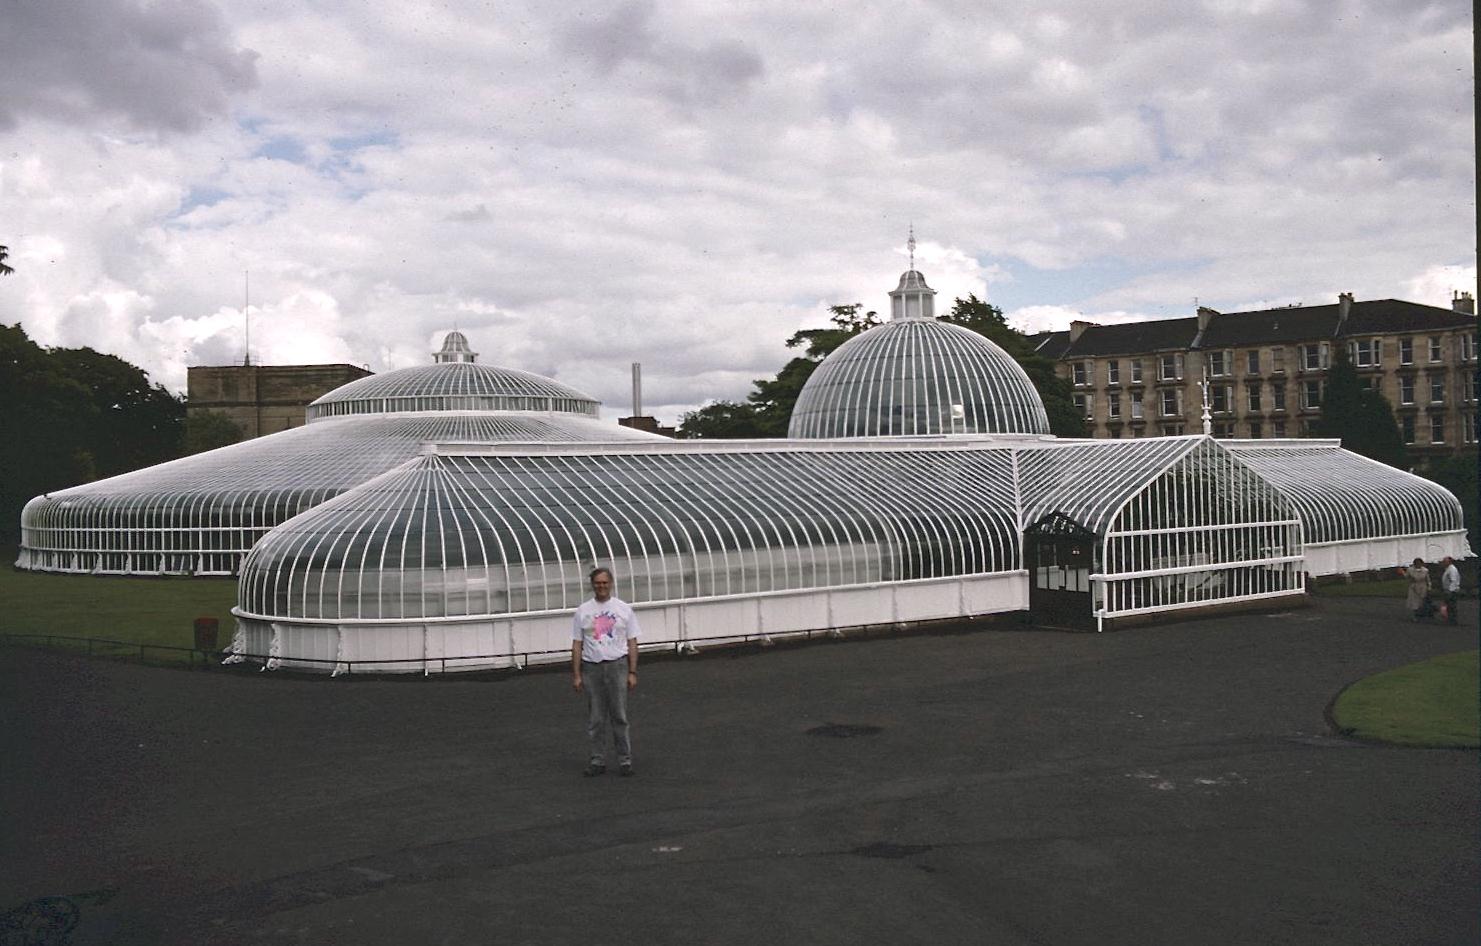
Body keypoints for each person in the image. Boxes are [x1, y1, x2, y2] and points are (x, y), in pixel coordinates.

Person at [571, 567, 641, 777]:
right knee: (596, 718)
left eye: (604, 582)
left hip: (617, 665)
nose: (601, 586)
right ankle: (597, 759)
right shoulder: (583, 611)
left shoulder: (623, 609)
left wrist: (632, 671)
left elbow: (632, 641)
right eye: (597, 583)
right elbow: (577, 644)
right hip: (592, 668)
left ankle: (625, 759)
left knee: (619, 715)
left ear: (610, 583)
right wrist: (576, 674)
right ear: (592, 585)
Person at [1440, 556, 1461, 626]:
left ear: (1449, 562)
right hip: (1448, 590)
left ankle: (1452, 621)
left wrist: (1450, 590)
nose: (1443, 563)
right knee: (1449, 606)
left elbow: (1454, 581)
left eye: (1445, 561)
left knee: (1452, 606)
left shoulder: (1452, 569)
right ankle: (1450, 619)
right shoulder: (1448, 569)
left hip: (1451, 591)